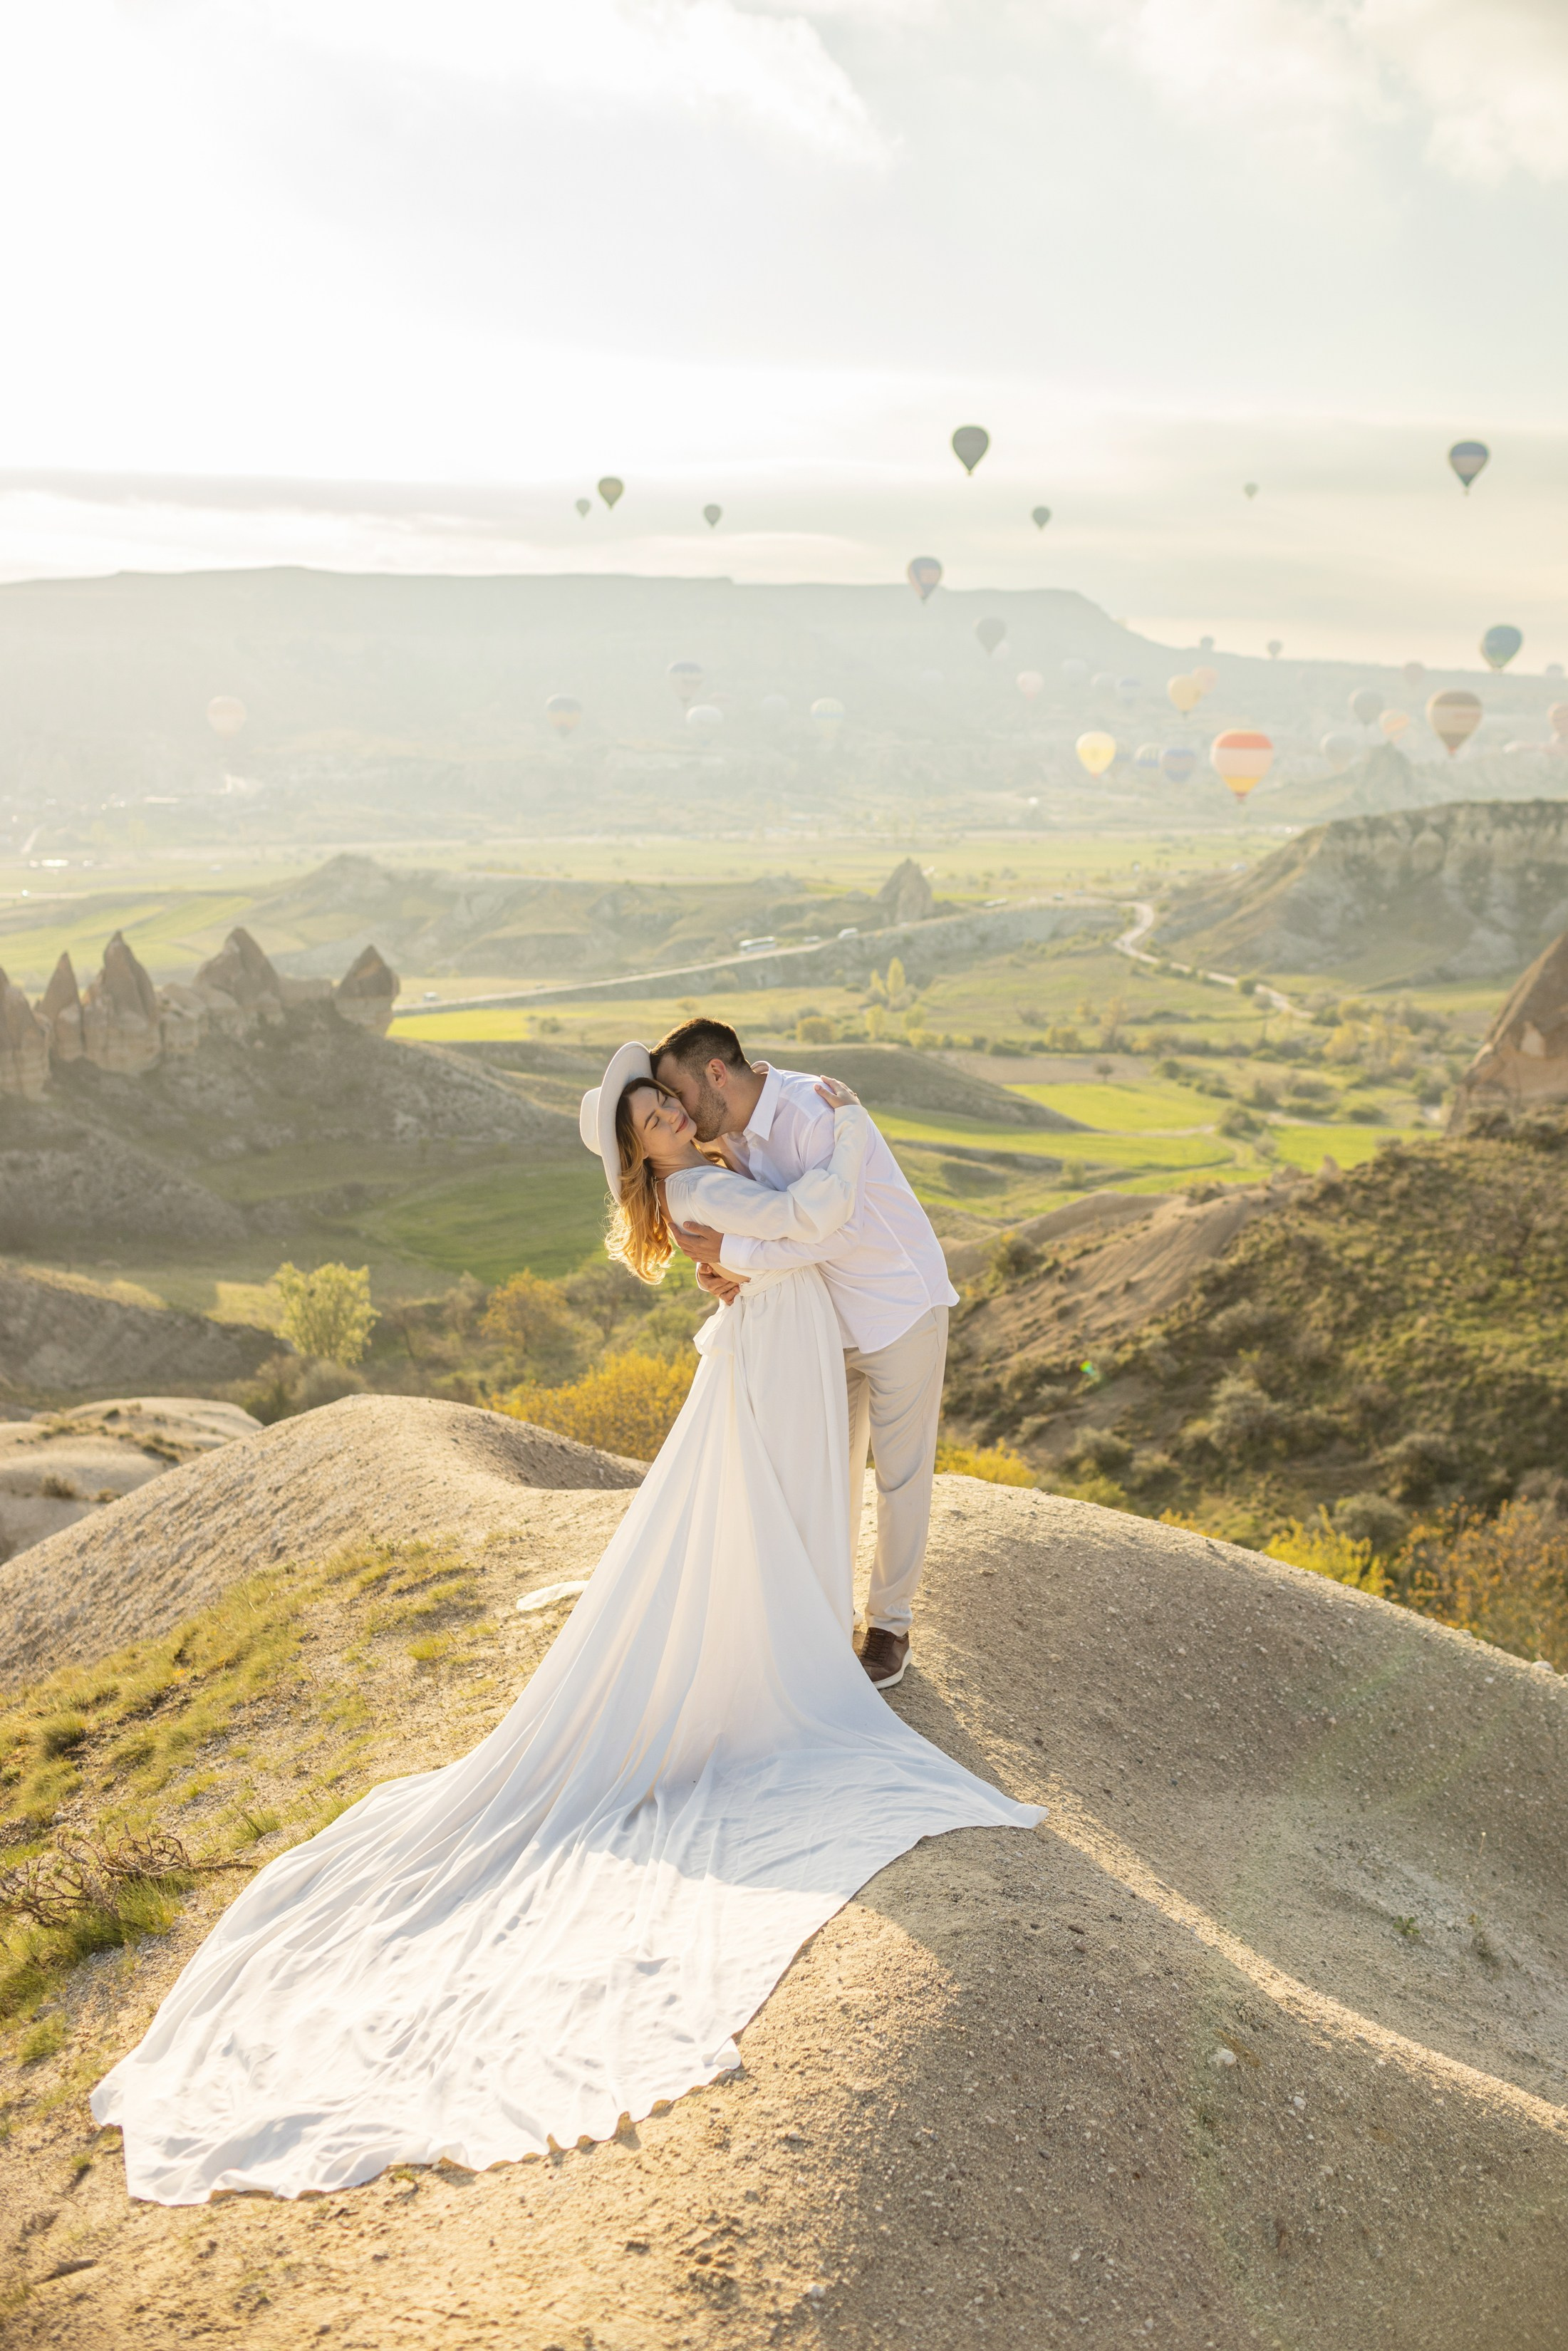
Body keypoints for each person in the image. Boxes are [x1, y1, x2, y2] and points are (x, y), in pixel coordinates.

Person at [90, 1043, 1039, 2206]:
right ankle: (795, 1660)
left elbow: (790, 1229)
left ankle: (816, 1635)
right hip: (785, 1347)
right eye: (653, 1114)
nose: (673, 1115)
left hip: (797, 1343)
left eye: (670, 1099)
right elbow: (813, 1216)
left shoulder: (714, 1168)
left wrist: (746, 1242)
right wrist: (827, 1151)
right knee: (787, 1511)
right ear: (640, 1155)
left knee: (800, 1507)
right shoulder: (700, 1191)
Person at [652, 1017, 955, 1691]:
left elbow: (830, 1229)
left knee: (900, 1477)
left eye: (675, 1093)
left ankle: (889, 1627)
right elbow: (762, 1217)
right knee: (825, 1470)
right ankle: (823, 1613)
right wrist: (728, 1270)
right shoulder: (723, 1137)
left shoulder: (817, 1111)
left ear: (715, 1073)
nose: (673, 1111)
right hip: (820, 1324)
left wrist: (736, 1257)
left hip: (896, 1304)